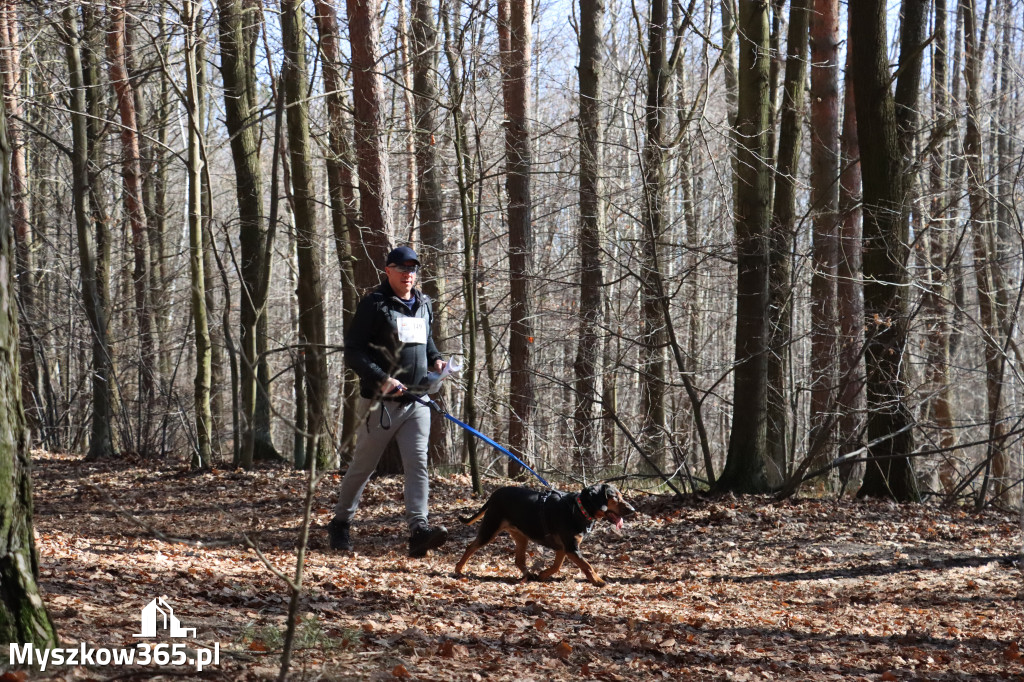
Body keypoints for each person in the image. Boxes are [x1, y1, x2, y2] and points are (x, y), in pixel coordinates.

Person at [327, 245, 449, 557]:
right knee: (363, 466)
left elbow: (428, 343)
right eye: (402, 268)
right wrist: (383, 378)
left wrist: (436, 361)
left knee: (418, 464)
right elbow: (354, 351)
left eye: (413, 269)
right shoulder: (374, 303)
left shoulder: (423, 303)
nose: (409, 274)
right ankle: (341, 521)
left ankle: (418, 528)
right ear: (388, 271)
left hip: (418, 400)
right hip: (381, 403)